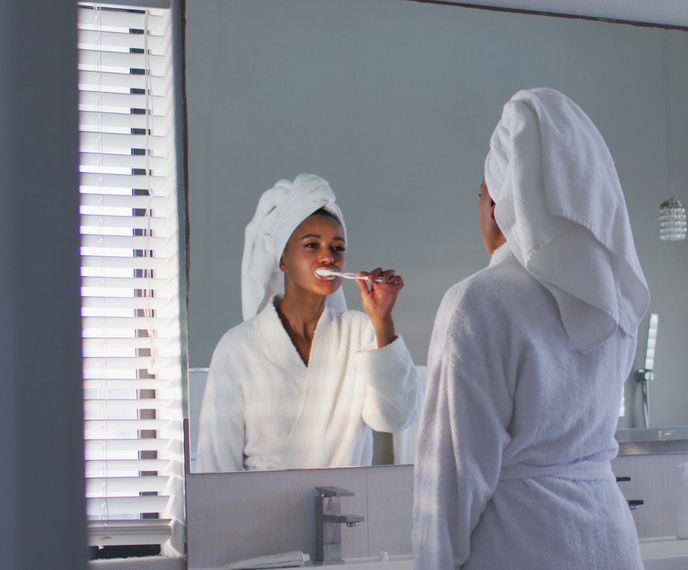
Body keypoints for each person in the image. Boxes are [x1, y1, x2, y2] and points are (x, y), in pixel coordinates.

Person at [412, 88, 650, 569]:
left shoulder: (477, 303)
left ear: (501, 195)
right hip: (611, 544)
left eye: (481, 191)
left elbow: (450, 482)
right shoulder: (617, 299)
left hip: (522, 544)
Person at [196, 173, 421, 472]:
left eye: (337, 247)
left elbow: (396, 416)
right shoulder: (238, 348)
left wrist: (382, 320)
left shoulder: (360, 333)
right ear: (283, 260)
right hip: (262, 516)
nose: (328, 257)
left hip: (347, 516)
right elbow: (216, 467)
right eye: (312, 245)